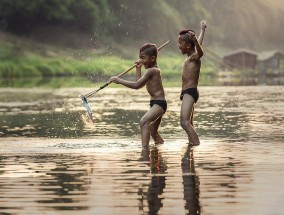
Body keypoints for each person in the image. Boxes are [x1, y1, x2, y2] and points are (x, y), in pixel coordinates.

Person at [110, 43, 167, 148]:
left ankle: (144, 150)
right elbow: (139, 83)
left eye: (143, 58)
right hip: (155, 103)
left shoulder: (152, 70)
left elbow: (136, 85)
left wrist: (119, 80)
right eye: (140, 58)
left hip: (159, 104)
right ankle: (159, 153)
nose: (141, 60)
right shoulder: (151, 71)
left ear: (153, 58)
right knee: (153, 132)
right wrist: (138, 69)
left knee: (144, 122)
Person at [178, 20, 207, 146]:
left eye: (180, 43)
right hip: (187, 92)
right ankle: (191, 147)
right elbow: (198, 44)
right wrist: (202, 30)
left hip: (190, 91)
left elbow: (200, 52)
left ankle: (196, 146)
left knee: (184, 122)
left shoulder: (194, 57)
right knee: (189, 123)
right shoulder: (190, 56)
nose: (178, 45)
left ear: (188, 45)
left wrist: (195, 40)